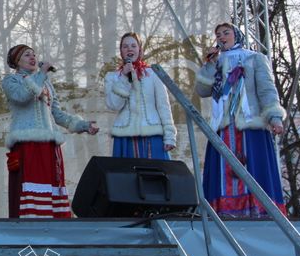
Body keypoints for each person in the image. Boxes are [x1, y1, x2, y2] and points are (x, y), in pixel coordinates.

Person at [195, 23, 286, 217]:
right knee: (223, 173)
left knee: (253, 171)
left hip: (250, 127)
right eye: (218, 34)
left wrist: (275, 117)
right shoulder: (215, 63)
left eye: (226, 33)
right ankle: (223, 213)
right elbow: (202, 91)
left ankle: (258, 212)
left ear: (237, 35)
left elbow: (266, 90)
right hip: (223, 127)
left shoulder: (254, 59)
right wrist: (210, 65)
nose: (221, 37)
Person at [3, 44, 98, 218]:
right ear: (17, 61)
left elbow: (57, 114)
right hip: (27, 146)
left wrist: (83, 125)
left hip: (49, 146)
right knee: (32, 189)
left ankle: (54, 230)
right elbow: (22, 97)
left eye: (34, 54)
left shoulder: (45, 82)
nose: (33, 57)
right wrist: (41, 74)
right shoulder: (11, 81)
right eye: (26, 55)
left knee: (51, 190)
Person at [104, 32, 176, 160]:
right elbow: (114, 105)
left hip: (153, 137)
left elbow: (163, 106)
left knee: (155, 177)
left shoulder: (153, 74)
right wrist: (124, 78)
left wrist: (170, 136)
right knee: (127, 178)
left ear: (140, 49)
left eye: (133, 45)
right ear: (121, 51)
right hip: (125, 139)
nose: (129, 49)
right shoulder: (113, 77)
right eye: (125, 46)